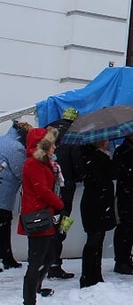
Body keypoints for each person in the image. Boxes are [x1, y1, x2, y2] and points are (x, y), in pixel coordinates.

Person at [19, 127, 65, 305]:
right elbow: (42, 191)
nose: (54, 147)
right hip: (38, 218)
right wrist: (60, 203)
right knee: (37, 260)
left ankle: (36, 289)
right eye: (51, 143)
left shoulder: (44, 163)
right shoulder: (33, 164)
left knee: (47, 256)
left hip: (44, 216)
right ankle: (29, 304)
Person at [47, 107, 81, 280]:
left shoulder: (49, 130)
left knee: (48, 224)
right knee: (63, 222)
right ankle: (55, 263)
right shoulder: (74, 134)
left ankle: (45, 260)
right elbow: (77, 164)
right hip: (66, 187)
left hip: (48, 186)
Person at [79, 140, 117, 288]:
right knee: (94, 240)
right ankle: (89, 275)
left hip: (95, 202)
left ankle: (94, 273)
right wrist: (110, 162)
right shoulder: (96, 158)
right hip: (96, 203)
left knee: (97, 239)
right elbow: (104, 177)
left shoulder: (90, 156)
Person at [112, 133, 133, 275]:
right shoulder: (125, 152)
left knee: (129, 229)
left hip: (131, 194)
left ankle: (126, 259)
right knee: (125, 229)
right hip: (128, 195)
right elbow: (121, 172)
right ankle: (121, 261)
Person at [0, 121, 32, 270]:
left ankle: (6, 257)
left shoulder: (2, 139)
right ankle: (7, 259)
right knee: (3, 227)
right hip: (3, 194)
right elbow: (22, 173)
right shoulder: (16, 148)